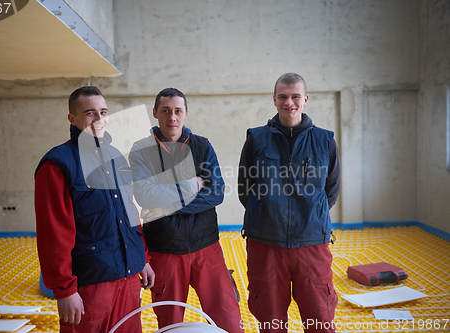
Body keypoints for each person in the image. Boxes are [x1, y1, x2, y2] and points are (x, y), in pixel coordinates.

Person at [34, 86, 155, 333]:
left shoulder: (115, 157)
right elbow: (53, 234)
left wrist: (141, 258)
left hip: (128, 278)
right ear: (72, 118)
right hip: (90, 284)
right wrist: (65, 290)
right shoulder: (57, 164)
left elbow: (129, 212)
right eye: (90, 113)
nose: (99, 119)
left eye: (103, 112)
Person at [129, 88, 244, 333]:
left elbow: (216, 193)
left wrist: (166, 204)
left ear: (186, 114)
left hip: (207, 247)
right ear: (155, 113)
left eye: (178, 111)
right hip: (165, 252)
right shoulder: (141, 150)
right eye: (166, 111)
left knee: (228, 318)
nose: (172, 117)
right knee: (170, 324)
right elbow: (145, 196)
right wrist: (192, 187)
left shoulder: (202, 146)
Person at [238, 73, 341, 333]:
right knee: (270, 321)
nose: (289, 102)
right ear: (274, 100)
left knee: (320, 317)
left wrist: (310, 217)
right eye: (283, 96)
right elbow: (245, 187)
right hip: (265, 243)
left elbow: (331, 188)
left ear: (305, 99)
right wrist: (265, 214)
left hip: (311, 243)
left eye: (295, 96)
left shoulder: (325, 140)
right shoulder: (256, 138)